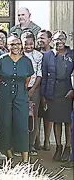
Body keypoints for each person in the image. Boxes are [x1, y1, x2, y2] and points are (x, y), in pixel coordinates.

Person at [0, 36, 35, 162]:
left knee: (22, 125)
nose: (15, 46)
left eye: (17, 44)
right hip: (4, 93)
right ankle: (9, 155)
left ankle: (25, 159)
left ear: (21, 45)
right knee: (5, 123)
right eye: (12, 44)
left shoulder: (27, 61)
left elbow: (27, 79)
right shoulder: (0, 60)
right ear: (7, 45)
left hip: (21, 94)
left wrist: (20, 89)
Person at [41, 31, 74, 162]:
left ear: (65, 41)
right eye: (56, 39)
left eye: (61, 39)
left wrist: (73, 90)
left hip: (67, 90)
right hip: (53, 90)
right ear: (52, 41)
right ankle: (58, 147)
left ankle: (68, 147)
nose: (58, 41)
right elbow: (44, 76)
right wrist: (44, 95)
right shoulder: (48, 55)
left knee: (68, 121)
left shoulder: (71, 54)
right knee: (56, 120)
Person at [22, 32, 44, 156]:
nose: (28, 46)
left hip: (34, 89)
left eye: (31, 43)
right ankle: (21, 144)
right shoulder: (18, 55)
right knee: (21, 116)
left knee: (33, 117)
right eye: (26, 44)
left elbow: (39, 74)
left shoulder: (38, 55)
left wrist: (32, 89)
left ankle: (31, 144)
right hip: (21, 88)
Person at [36, 29, 54, 151]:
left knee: (48, 115)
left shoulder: (54, 53)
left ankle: (47, 140)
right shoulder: (35, 52)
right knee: (37, 114)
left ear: (49, 39)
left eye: (43, 37)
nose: (40, 40)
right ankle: (37, 140)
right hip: (36, 87)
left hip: (50, 87)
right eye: (38, 38)